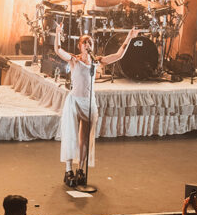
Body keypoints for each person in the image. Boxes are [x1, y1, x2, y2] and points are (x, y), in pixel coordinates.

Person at [53, 22, 139, 187]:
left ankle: (81, 169)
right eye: (84, 42)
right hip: (74, 101)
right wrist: (58, 32)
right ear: (80, 46)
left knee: (84, 138)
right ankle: (68, 169)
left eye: (90, 42)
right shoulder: (74, 60)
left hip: (88, 102)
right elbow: (58, 50)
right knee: (71, 134)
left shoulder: (96, 62)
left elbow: (118, 55)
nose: (87, 44)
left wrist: (129, 37)